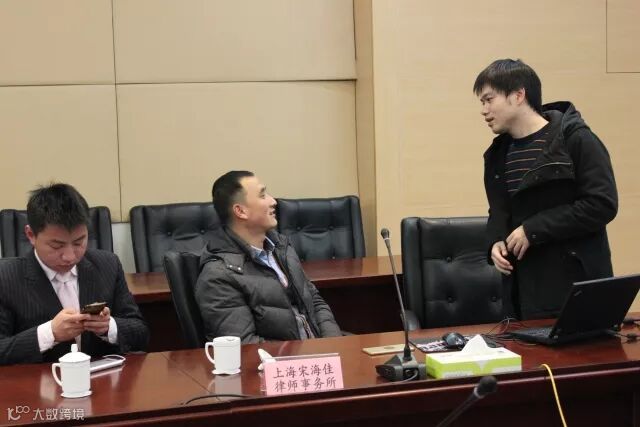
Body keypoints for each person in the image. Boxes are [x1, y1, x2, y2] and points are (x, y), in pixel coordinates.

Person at [474, 59, 618, 320]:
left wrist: (533, 229)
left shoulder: (575, 138)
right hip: (522, 296)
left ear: (518, 95)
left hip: (574, 288)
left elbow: (602, 203)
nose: (484, 110)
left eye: (489, 100)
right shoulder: (496, 155)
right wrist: (495, 241)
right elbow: (499, 210)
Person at [0, 183, 148, 365]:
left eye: (79, 243)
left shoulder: (108, 265)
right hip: (39, 380)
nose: (70, 256)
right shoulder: (5, 278)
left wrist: (109, 327)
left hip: (102, 379)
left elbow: (141, 333)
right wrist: (49, 334)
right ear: (31, 235)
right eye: (57, 246)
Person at [195, 171, 342, 343]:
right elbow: (245, 346)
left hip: (318, 351)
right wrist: (304, 353)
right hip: (283, 358)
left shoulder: (281, 247)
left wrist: (333, 344)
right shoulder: (218, 275)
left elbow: (315, 302)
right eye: (263, 195)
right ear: (241, 211)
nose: (273, 201)